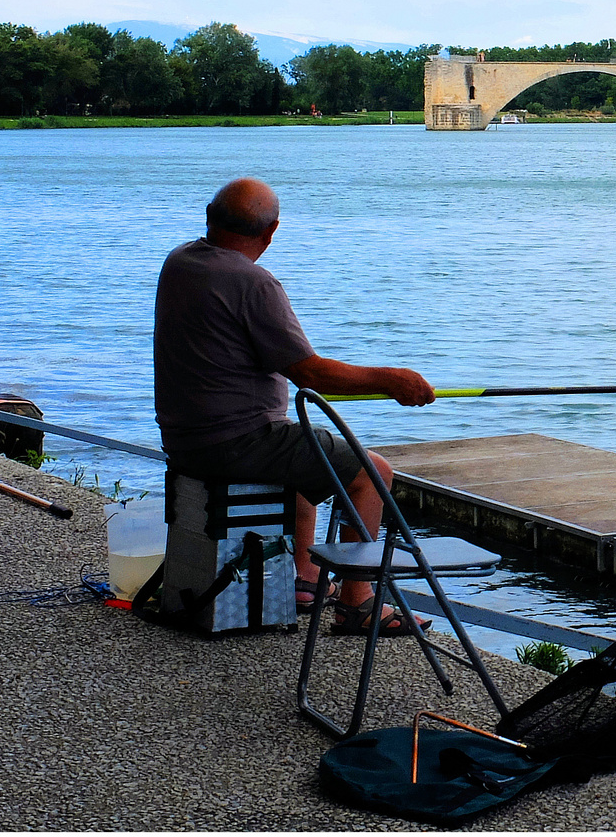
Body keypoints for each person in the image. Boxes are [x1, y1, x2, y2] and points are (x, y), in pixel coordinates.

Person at [155, 177, 435, 635]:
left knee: (305, 453)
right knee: (372, 473)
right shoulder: (252, 281)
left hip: (187, 437)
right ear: (272, 231)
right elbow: (311, 373)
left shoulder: (181, 261)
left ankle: (305, 580)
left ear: (209, 216)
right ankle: (356, 603)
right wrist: (391, 380)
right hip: (235, 442)